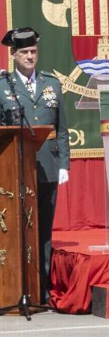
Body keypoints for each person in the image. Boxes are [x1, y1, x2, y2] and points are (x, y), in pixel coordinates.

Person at [0, 28, 68, 301]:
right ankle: (14, 288)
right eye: (24, 52)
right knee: (15, 228)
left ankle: (41, 290)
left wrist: (64, 163)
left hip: (47, 165)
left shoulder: (52, 84)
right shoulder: (3, 86)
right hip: (13, 168)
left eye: (33, 52)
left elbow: (62, 127)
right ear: (13, 54)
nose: (30, 57)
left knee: (44, 228)